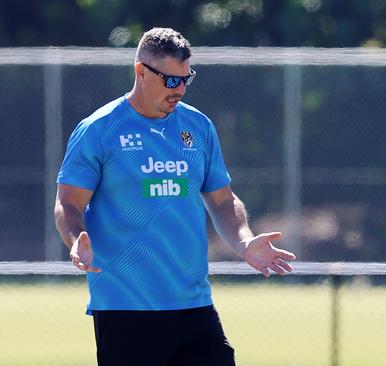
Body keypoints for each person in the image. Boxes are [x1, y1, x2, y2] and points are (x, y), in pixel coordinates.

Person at [54, 27, 296, 366]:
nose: (179, 89)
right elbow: (68, 203)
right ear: (141, 71)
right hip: (126, 308)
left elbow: (223, 200)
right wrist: (75, 239)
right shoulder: (99, 129)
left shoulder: (198, 127)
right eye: (170, 80)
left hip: (194, 306)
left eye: (186, 79)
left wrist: (244, 241)